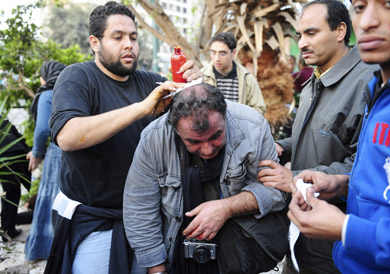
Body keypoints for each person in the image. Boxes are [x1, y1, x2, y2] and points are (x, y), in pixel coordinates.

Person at [44, 1, 201, 273]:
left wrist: (195, 84)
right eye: (117, 37)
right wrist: (142, 108)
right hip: (98, 222)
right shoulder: (78, 77)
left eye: (133, 37)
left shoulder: (150, 81)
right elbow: (68, 137)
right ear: (95, 42)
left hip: (148, 220)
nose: (129, 44)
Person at [257, 0, 377, 273]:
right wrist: (281, 147)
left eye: (311, 33)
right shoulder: (315, 80)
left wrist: (295, 177)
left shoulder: (369, 82)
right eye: (299, 36)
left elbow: (366, 166)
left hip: (337, 239)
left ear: (340, 31)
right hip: (301, 230)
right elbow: (314, 136)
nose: (301, 44)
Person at [123, 83, 287, 274]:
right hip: (174, 258)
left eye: (216, 136)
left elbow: (276, 191)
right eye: (194, 142)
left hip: (239, 258)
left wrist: (227, 207)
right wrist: (157, 269)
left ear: (226, 116)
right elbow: (139, 209)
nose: (208, 150)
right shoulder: (153, 139)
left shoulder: (254, 128)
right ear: (174, 128)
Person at [288, 0, 390, 273]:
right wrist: (341, 183)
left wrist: (346, 228)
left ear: (339, 32)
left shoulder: (365, 81)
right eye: (360, 7)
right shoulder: (378, 89)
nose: (367, 21)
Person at [24, 61, 65, 261]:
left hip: (57, 153)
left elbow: (41, 130)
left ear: (46, 76)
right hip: (78, 152)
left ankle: (45, 249)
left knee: (51, 199)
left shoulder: (47, 94)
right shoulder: (73, 91)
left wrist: (36, 152)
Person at [202, 32, 266, 116]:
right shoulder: (201, 77)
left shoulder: (247, 78)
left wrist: (240, 117)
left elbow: (259, 109)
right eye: (213, 53)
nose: (217, 58)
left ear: (233, 53)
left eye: (222, 53)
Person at [0, 119, 31, 242]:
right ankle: (9, 229)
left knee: (10, 194)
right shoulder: (4, 120)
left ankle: (8, 230)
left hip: (4, 158)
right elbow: (20, 139)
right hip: (19, 155)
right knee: (33, 188)